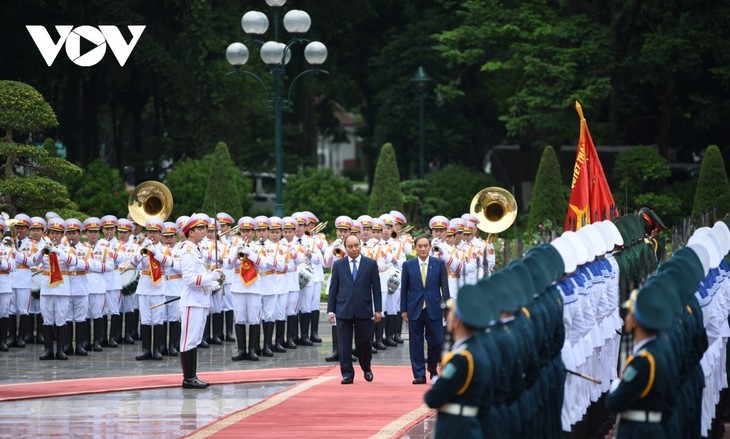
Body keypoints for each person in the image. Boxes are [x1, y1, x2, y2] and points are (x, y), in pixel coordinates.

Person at [424, 284, 493, 438]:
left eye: (450, 313)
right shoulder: (479, 350)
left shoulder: (461, 359)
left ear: (457, 321)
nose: (447, 316)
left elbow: (433, 398)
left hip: (457, 430)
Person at [605, 283, 674, 438]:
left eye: (629, 313)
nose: (626, 317)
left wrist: (617, 385)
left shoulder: (642, 362)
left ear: (636, 321)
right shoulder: (660, 350)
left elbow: (614, 402)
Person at [327, 234, 382, 384]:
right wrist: (331, 310)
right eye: (350, 246)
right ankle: (347, 374)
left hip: (363, 309)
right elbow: (333, 289)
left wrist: (378, 309)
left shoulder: (370, 264)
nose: (354, 249)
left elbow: (376, 288)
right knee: (344, 344)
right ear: (345, 248)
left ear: (360, 246)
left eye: (356, 246)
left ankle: (366, 367)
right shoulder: (338, 265)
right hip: (343, 309)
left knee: (364, 343)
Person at [178, 214, 223, 389]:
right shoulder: (187, 252)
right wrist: (210, 276)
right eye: (200, 229)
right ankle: (188, 378)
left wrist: (211, 285)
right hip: (192, 302)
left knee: (195, 339)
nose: (204, 231)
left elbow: (199, 279)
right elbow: (189, 279)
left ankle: (192, 375)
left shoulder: (197, 250)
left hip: (200, 300)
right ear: (191, 232)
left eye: (205, 228)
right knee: (189, 339)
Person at [400, 235, 450, 384]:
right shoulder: (408, 265)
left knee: (437, 341)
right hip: (414, 308)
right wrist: (403, 309)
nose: (423, 249)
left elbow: (444, 288)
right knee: (415, 342)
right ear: (415, 247)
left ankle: (433, 369)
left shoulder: (439, 264)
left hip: (433, 307)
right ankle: (419, 374)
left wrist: (447, 308)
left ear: (429, 247)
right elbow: (404, 288)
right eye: (420, 246)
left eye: (425, 246)